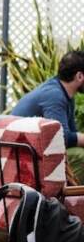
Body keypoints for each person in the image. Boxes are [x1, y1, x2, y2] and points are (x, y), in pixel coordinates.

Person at [11, 50, 84, 183]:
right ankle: (72, 202)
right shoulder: (55, 95)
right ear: (79, 76)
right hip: (22, 155)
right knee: (81, 158)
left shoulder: (66, 93)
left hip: (37, 150)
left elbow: (70, 133)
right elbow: (61, 138)